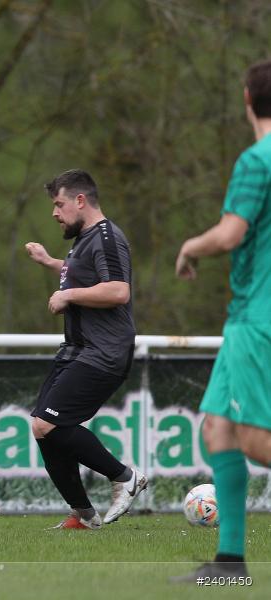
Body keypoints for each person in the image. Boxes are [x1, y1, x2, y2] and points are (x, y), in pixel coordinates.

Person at [172, 60, 271, 580]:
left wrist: (190, 247)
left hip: (260, 315)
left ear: (247, 99)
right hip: (245, 317)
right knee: (219, 430)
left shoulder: (258, 159)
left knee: (257, 440)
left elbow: (231, 234)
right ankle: (230, 561)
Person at [25, 169, 145, 529]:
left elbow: (117, 290)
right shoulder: (85, 240)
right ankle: (85, 515)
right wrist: (51, 263)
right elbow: (84, 273)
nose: (54, 212)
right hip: (78, 349)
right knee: (40, 426)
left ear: (81, 200)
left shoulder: (107, 237)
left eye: (59, 204)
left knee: (49, 423)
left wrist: (68, 295)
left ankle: (125, 477)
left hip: (104, 351)